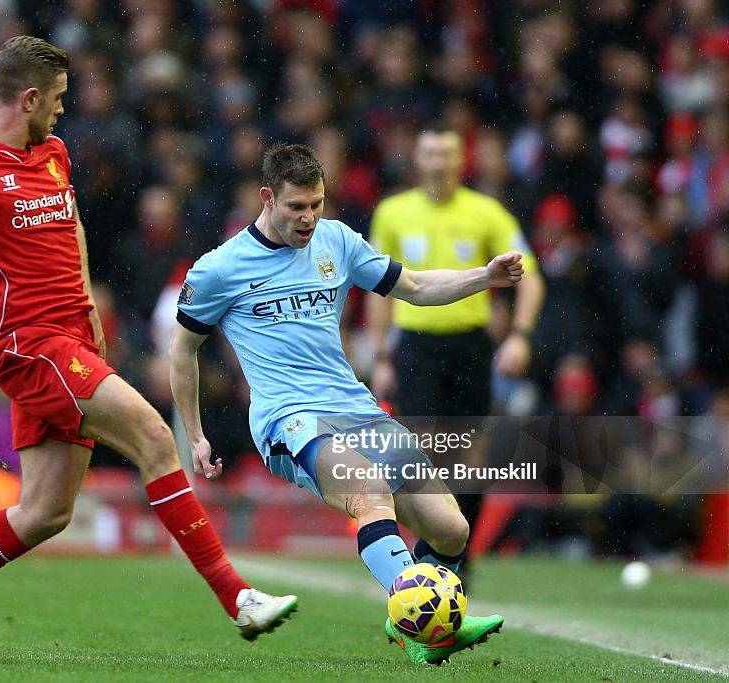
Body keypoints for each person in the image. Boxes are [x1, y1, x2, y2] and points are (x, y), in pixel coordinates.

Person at [0, 36, 296, 660]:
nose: (61, 112)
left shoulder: (52, 152)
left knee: (44, 513)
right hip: (28, 345)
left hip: (72, 340)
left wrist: (89, 310)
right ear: (27, 98)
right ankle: (236, 597)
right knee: (154, 438)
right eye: (55, 100)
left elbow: (70, 226)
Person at [170, 143, 511, 666]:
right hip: (289, 418)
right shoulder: (220, 268)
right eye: (296, 207)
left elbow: (416, 288)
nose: (309, 218)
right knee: (369, 493)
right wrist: (194, 434)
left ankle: (411, 625)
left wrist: (483, 278)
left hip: (355, 406)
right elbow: (183, 350)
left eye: (317, 204)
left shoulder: (337, 241)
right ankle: (425, 619)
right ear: (267, 198)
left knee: (452, 529)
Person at [365, 121, 545, 582]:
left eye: (446, 154)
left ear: (459, 160)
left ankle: (454, 559)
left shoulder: (486, 213)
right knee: (423, 453)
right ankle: (431, 556)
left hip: (469, 346)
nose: (439, 163)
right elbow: (376, 289)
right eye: (430, 154)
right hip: (416, 348)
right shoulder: (393, 212)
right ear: (417, 160)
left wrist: (520, 335)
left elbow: (531, 277)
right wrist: (383, 356)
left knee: (470, 458)